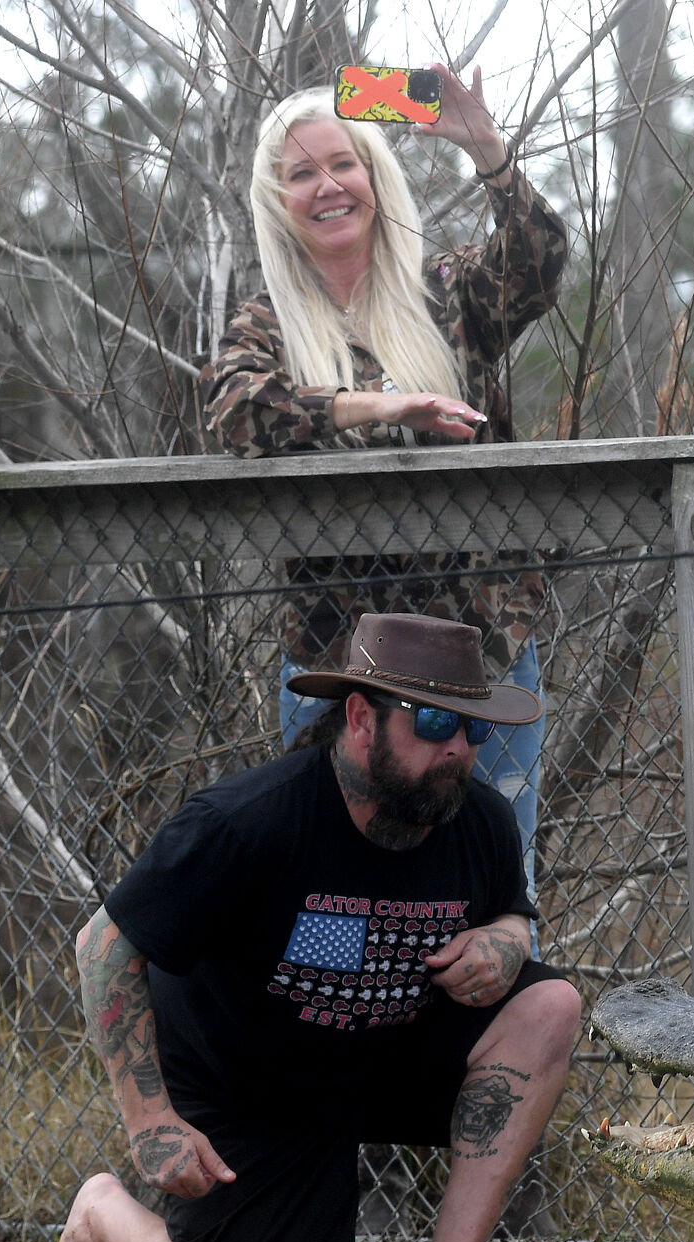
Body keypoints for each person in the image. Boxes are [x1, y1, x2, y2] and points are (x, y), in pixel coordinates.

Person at [52, 613, 584, 1242]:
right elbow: (103, 946)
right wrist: (151, 1120)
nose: (458, 748)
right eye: (434, 721)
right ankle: (102, 1212)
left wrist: (508, 939)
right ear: (362, 718)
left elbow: (514, 914)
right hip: (251, 1083)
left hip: (379, 1054)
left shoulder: (478, 819)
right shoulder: (248, 821)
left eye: (474, 729)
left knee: (551, 1004)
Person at [199, 69, 567, 909]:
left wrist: (487, 153)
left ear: (373, 175)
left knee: (497, 887)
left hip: (480, 652)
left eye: (343, 164)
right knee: (333, 892)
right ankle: (346, 1044)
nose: (327, 186)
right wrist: (380, 404)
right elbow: (234, 409)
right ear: (277, 200)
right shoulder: (268, 327)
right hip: (342, 670)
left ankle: (497, 1038)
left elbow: (540, 266)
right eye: (301, 174)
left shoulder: (447, 296)